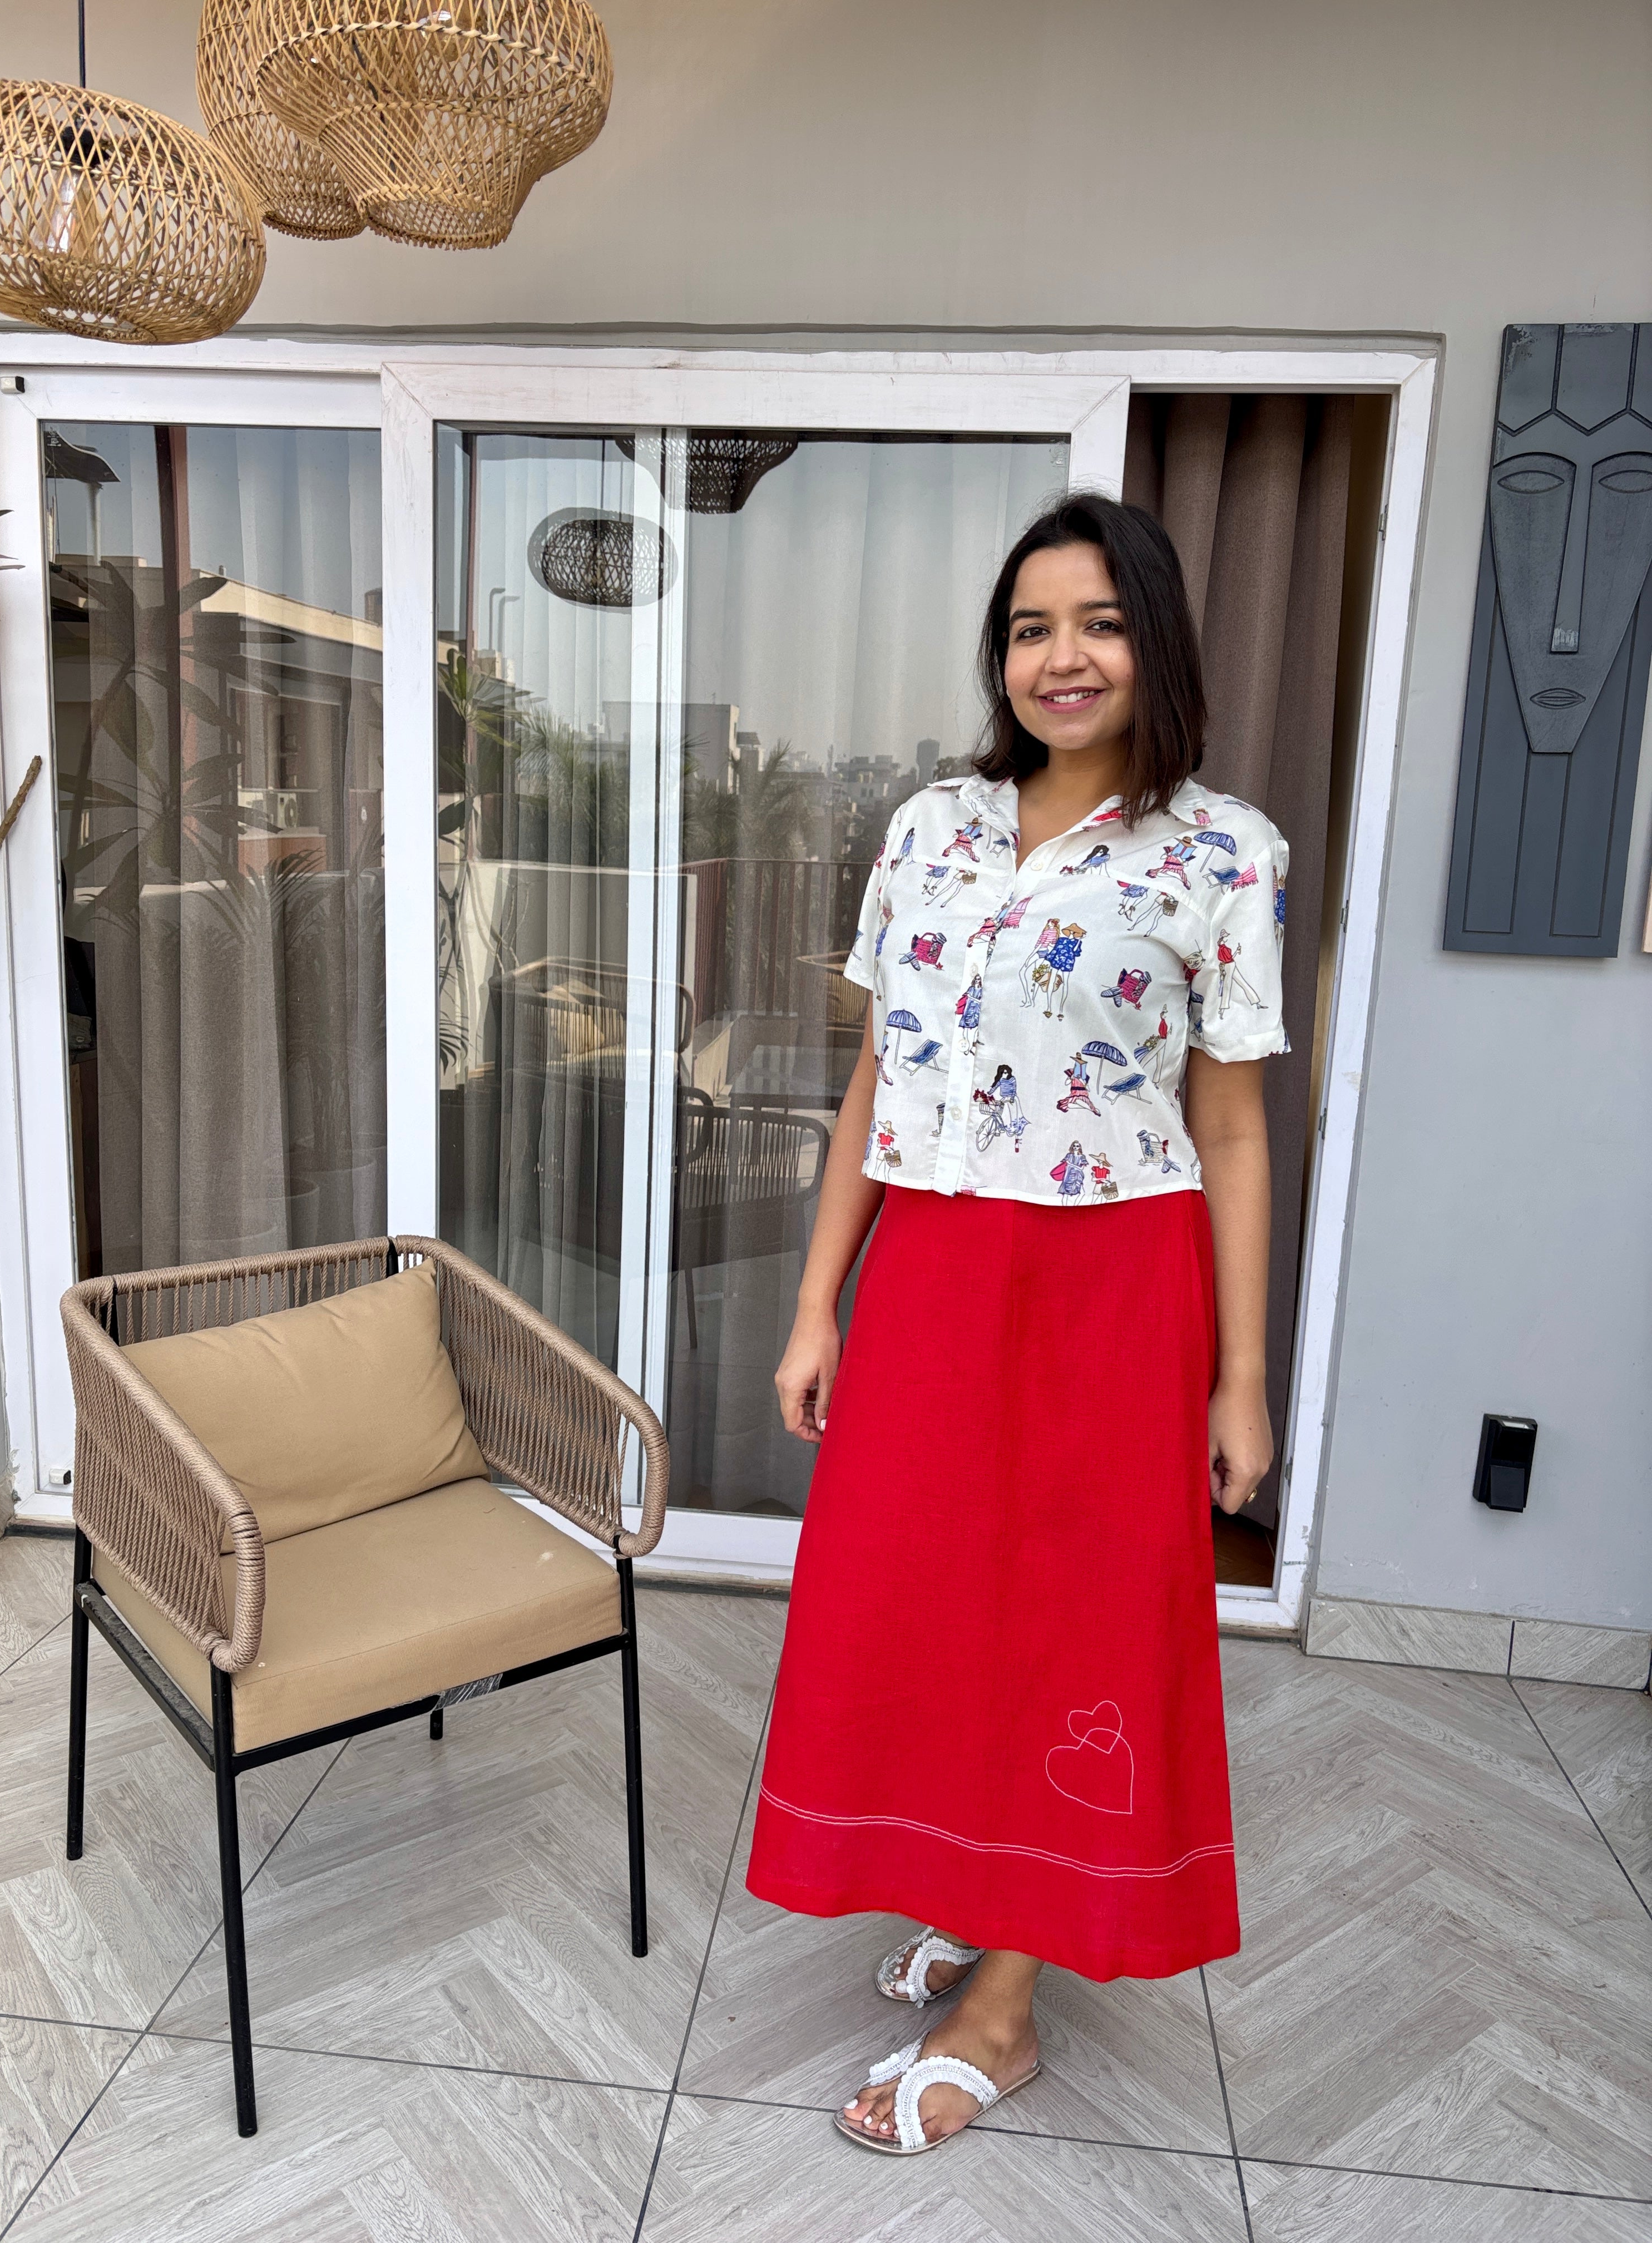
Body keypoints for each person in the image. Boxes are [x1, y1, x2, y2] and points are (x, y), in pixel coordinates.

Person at [745, 492, 1290, 2157]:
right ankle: (980, 1901)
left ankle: (1009, 2002)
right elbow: (876, 1078)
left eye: (1102, 623)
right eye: (1033, 627)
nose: (1066, 657)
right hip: (932, 1270)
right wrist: (818, 1303)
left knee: (1073, 1619)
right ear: (1001, 657)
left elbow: (1235, 1130)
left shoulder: (1223, 852)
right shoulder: (931, 827)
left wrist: (1243, 1378)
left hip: (1114, 1284)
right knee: (919, 1599)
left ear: (1155, 641)